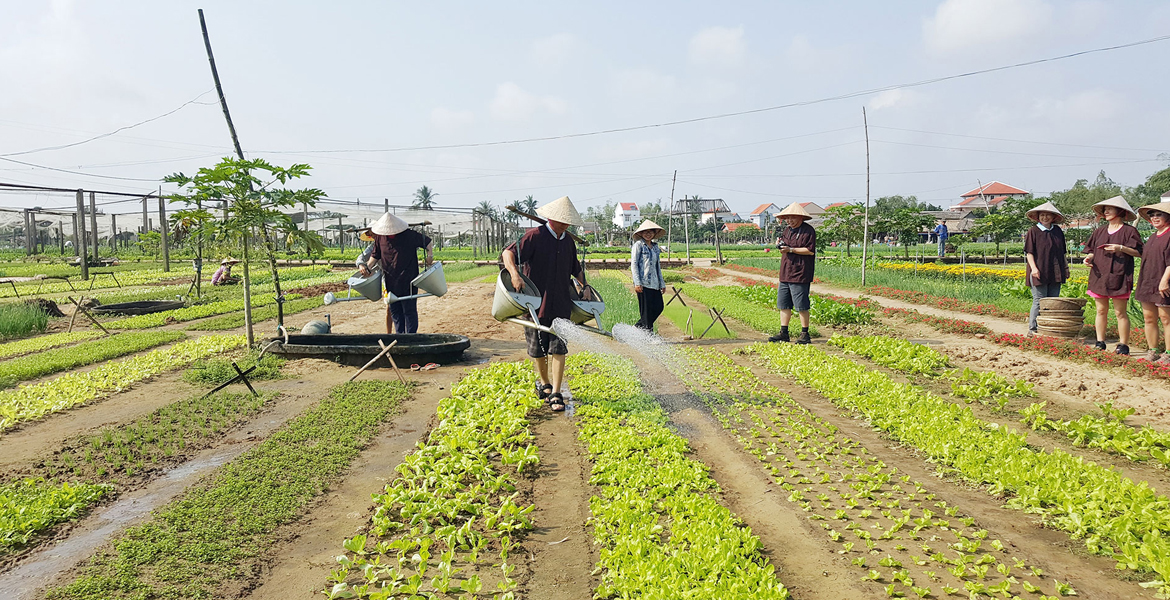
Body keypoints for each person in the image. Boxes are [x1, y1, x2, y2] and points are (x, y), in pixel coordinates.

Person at [501, 196, 586, 412]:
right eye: (562, 220)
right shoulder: (534, 236)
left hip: (561, 304)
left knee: (559, 348)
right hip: (534, 303)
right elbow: (508, 253)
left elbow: (576, 269)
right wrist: (515, 274)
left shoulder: (568, 242)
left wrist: (584, 287)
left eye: (568, 222)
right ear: (551, 218)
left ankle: (556, 392)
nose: (566, 225)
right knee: (537, 349)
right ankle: (545, 384)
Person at [1083, 196, 1142, 355]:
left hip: (1120, 275)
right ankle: (1100, 342)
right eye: (1105, 209)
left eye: (1110, 208)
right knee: (1100, 310)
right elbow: (1092, 251)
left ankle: (1123, 345)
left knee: (1119, 312)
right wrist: (1089, 258)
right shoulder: (1099, 231)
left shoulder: (1130, 231)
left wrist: (1121, 248)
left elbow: (1139, 252)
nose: (1106, 211)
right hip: (1099, 275)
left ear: (1120, 211)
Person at [364, 213, 432, 334]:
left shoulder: (409, 235)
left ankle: (411, 337)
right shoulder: (380, 238)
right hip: (390, 279)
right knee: (395, 311)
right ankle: (400, 337)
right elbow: (375, 255)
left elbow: (427, 242)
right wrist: (367, 267)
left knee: (409, 310)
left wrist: (430, 255)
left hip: (409, 280)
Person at [769, 202, 816, 344]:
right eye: (787, 218)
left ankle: (805, 334)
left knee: (801, 305)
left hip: (800, 273)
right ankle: (784, 332)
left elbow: (810, 250)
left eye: (792, 217)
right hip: (786, 271)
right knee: (784, 304)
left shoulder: (808, 231)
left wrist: (791, 250)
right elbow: (785, 245)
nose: (789, 220)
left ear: (800, 217)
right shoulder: (787, 231)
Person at [1023, 202, 1069, 337]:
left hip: (1056, 270)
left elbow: (1062, 253)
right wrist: (1034, 269)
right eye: (1042, 215)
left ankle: (1048, 328)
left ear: (1053, 217)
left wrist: (1065, 268)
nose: (1045, 218)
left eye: (1048, 215)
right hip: (1039, 270)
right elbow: (1029, 253)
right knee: (1039, 300)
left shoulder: (1057, 231)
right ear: (1038, 217)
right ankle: (1032, 329)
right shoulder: (1033, 231)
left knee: (1053, 301)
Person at [1134, 199, 1170, 363]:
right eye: (1152, 215)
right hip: (1148, 281)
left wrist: (1164, 281)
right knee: (1149, 318)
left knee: (1166, 319)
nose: (1155, 217)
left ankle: (1168, 354)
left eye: (1159, 214)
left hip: (1164, 283)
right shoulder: (1153, 236)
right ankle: (1153, 350)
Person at [630, 219, 666, 331]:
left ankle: (635, 328)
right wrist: (637, 282)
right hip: (643, 283)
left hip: (654, 283)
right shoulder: (638, 245)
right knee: (646, 311)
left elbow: (657, 266)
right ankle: (648, 335)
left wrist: (662, 283)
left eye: (650, 231)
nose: (648, 234)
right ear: (640, 233)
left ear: (654, 233)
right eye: (645, 232)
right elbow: (634, 264)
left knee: (659, 307)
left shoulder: (655, 247)